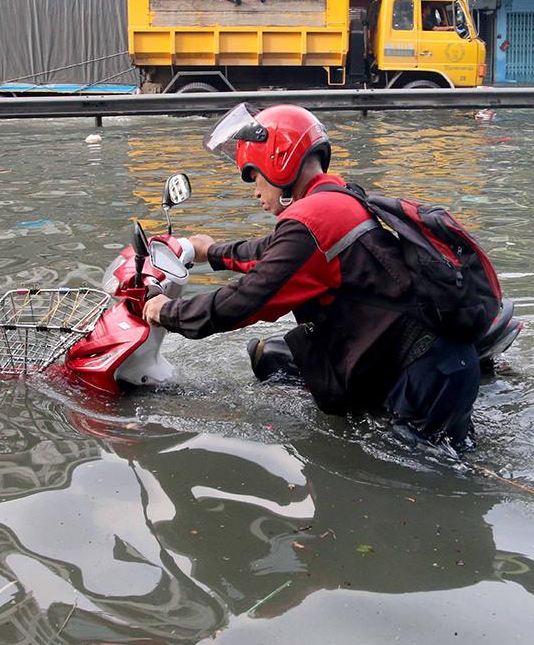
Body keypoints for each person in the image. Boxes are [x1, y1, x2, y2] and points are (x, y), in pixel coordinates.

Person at [142, 104, 482, 451]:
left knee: (428, 485)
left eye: (254, 176)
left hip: (425, 380)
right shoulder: (336, 198)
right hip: (437, 366)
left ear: (278, 160)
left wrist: (165, 311)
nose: (255, 191)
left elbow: (242, 303)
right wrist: (209, 251)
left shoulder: (311, 221)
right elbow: (269, 252)